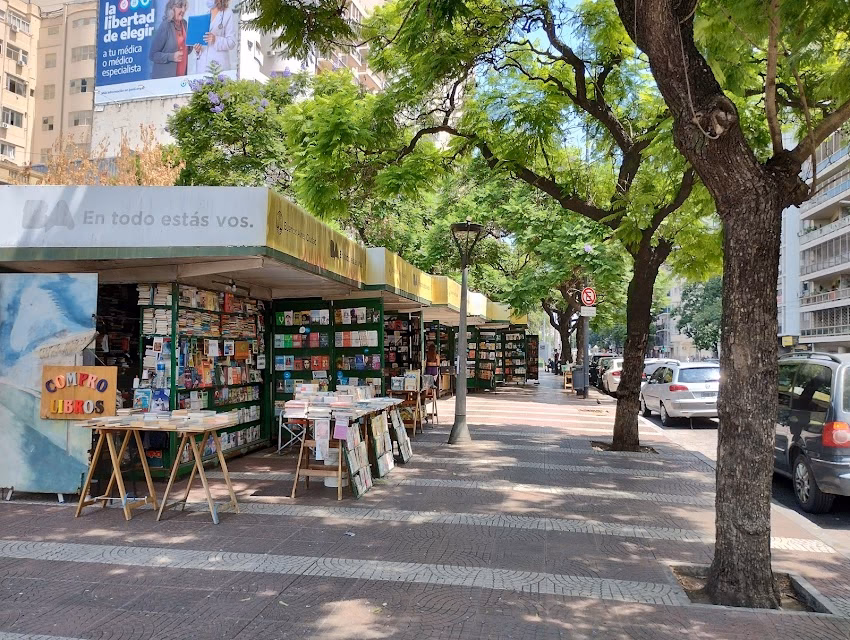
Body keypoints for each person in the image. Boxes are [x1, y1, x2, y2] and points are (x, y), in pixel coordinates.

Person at [192, 0, 237, 73]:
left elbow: (232, 42)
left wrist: (215, 39)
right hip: (202, 66)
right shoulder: (205, 13)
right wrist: (198, 50)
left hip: (218, 66)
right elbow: (202, 41)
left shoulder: (227, 13)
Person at [149, 0, 189, 79]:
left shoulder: (184, 23)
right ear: (172, 8)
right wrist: (172, 57)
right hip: (165, 79)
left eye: (185, 7)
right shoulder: (165, 26)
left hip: (181, 78)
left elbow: (186, 49)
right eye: (180, 6)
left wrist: (195, 46)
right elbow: (152, 55)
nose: (183, 10)